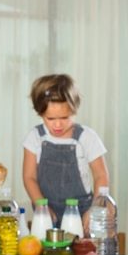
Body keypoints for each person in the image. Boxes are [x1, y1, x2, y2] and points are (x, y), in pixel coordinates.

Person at [22, 73, 109, 228]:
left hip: (82, 212)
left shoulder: (87, 137)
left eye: (64, 118)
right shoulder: (35, 137)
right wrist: (41, 206)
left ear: (74, 110)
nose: (57, 125)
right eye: (50, 119)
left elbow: (101, 175)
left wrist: (95, 209)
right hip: (46, 212)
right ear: (40, 113)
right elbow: (29, 177)